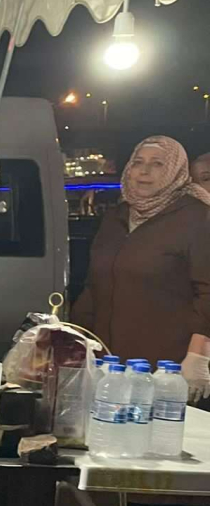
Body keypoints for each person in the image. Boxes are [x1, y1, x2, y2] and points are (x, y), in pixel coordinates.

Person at [73, 136, 210, 394]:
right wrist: (75, 339)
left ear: (175, 171)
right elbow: (94, 285)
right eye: (138, 162)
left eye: (158, 164)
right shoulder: (116, 217)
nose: (144, 171)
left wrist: (198, 355)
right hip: (109, 364)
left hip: (166, 368)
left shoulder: (198, 217)